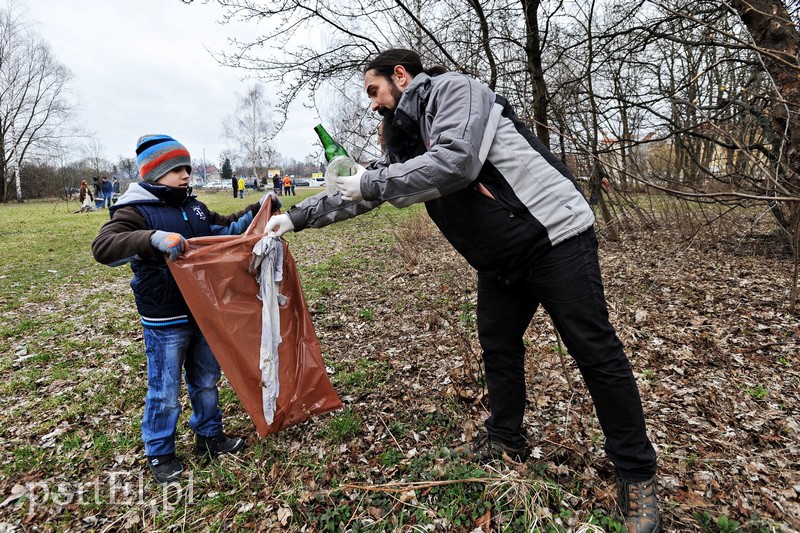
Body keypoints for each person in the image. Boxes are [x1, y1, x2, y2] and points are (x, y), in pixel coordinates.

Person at [265, 49, 660, 532]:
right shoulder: (404, 138)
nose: (372, 105)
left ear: (402, 76)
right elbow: (371, 190)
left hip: (554, 237)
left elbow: (457, 163)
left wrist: (371, 180)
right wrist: (296, 217)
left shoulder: (456, 92)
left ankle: (637, 475)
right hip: (501, 261)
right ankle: (505, 437)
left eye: (374, 91)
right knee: (497, 347)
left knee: (595, 352)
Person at [92, 134, 281, 484]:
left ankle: (209, 436)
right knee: (164, 389)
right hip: (164, 316)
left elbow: (227, 230)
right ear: (153, 173)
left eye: (187, 168)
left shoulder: (194, 207)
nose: (185, 175)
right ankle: (160, 450)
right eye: (175, 169)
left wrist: (258, 209)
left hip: (204, 311)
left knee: (206, 380)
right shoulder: (135, 211)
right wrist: (151, 239)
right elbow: (104, 246)